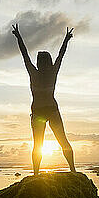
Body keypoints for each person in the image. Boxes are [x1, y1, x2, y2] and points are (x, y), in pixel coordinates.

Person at [12, 23, 76, 175]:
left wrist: (18, 36)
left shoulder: (33, 72)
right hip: (50, 110)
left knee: (39, 144)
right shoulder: (52, 71)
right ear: (49, 61)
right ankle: (72, 170)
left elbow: (25, 54)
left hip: (40, 112)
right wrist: (66, 39)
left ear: (39, 63)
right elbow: (61, 55)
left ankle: (36, 173)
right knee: (62, 141)